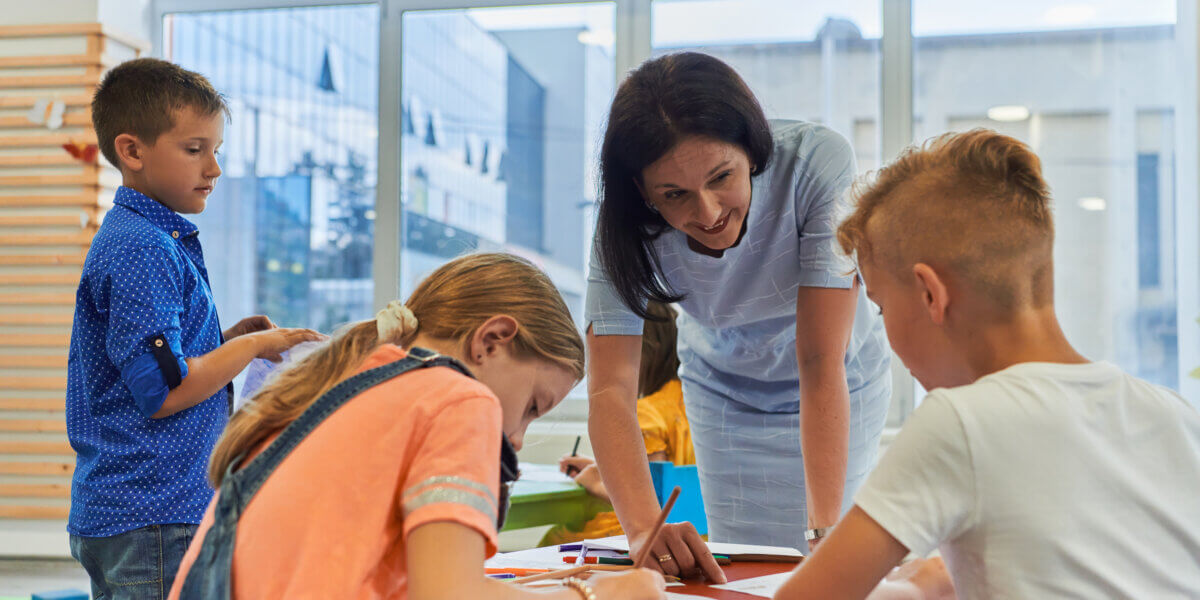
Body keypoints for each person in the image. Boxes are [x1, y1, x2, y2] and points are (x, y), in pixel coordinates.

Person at [773, 130, 1200, 599]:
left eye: (880, 307)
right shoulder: (1175, 415)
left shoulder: (959, 423)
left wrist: (916, 586)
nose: (886, 333)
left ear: (930, 294)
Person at [169, 253, 666, 600]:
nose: (517, 437)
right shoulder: (456, 397)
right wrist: (593, 593)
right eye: (534, 405)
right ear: (490, 341)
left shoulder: (345, 382)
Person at [585, 51, 891, 580]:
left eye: (721, 176)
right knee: (745, 564)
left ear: (750, 149)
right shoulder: (624, 225)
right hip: (723, 388)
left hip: (838, 380)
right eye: (674, 195)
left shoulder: (816, 162)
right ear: (642, 191)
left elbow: (820, 359)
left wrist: (823, 533)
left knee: (825, 556)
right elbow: (609, 389)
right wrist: (642, 528)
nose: (706, 213)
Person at [66, 58, 322, 599]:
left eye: (216, 151)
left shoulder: (148, 239)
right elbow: (163, 391)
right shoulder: (143, 248)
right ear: (133, 151)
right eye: (194, 150)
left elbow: (152, 364)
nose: (215, 169)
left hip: (147, 513)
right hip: (153, 515)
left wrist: (222, 343)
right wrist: (256, 345)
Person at [549, 301, 693, 544]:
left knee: (554, 537)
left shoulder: (646, 414)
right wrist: (603, 469)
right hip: (696, 529)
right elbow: (663, 474)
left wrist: (594, 481)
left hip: (647, 533)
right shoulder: (691, 405)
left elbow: (652, 498)